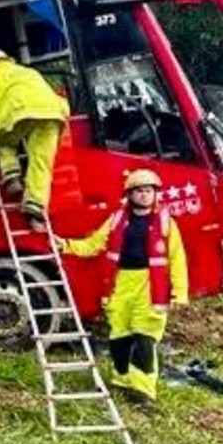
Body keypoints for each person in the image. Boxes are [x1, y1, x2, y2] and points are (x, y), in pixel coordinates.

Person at [55, 168, 188, 404]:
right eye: (139, 191)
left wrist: (180, 293)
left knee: (145, 340)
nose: (145, 195)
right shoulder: (117, 219)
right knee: (119, 339)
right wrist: (64, 245)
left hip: (151, 287)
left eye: (149, 191)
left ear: (155, 194)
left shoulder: (166, 222)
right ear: (130, 194)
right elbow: (93, 245)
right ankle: (122, 382)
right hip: (120, 285)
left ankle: (143, 391)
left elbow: (177, 259)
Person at [0, 50, 70, 232]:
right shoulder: (30, 72)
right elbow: (57, 97)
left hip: (17, 113)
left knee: (2, 142)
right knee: (41, 162)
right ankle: (34, 206)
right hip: (51, 113)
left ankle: (11, 175)